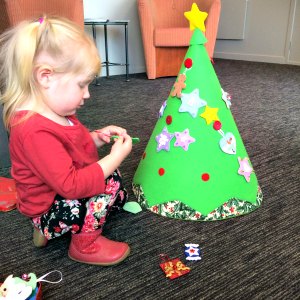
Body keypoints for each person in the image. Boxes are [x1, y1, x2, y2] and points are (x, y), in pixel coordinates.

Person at [0, 16, 133, 266]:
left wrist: (96, 138)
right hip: (49, 207)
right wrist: (115, 157)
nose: (88, 94)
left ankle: (52, 229)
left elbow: (69, 149)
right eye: (82, 85)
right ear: (46, 77)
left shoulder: (57, 113)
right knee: (109, 181)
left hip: (55, 196)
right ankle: (84, 244)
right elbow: (71, 186)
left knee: (109, 179)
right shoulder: (33, 131)